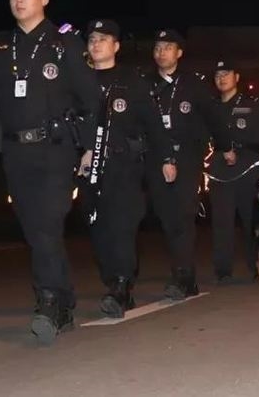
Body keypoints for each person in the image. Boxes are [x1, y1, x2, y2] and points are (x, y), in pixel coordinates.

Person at [0, 0, 100, 345]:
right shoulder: (0, 46)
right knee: (36, 230)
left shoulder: (64, 43)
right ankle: (64, 301)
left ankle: (47, 301)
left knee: (47, 224)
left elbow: (91, 99)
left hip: (55, 150)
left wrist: (87, 149)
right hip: (16, 151)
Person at [79, 19, 176, 318]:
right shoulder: (78, 81)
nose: (96, 44)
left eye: (103, 39)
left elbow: (154, 125)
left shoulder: (133, 82)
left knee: (122, 226)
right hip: (88, 170)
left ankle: (121, 286)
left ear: (116, 46)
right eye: (92, 39)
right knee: (99, 230)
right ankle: (114, 281)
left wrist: (167, 159)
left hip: (124, 167)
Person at [141, 29, 228, 299]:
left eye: (168, 48)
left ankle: (183, 275)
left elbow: (213, 118)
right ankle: (182, 270)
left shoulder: (193, 84)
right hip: (156, 159)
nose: (161, 53)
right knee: (167, 217)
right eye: (158, 48)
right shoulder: (144, 84)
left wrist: (225, 147)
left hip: (187, 159)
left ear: (179, 53)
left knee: (182, 215)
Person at [206, 59, 259, 284]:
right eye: (218, 75)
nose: (222, 79)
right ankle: (223, 271)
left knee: (251, 221)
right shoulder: (209, 107)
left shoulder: (250, 104)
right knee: (222, 223)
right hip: (220, 168)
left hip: (248, 167)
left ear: (236, 77)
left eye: (226, 74)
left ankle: (257, 265)